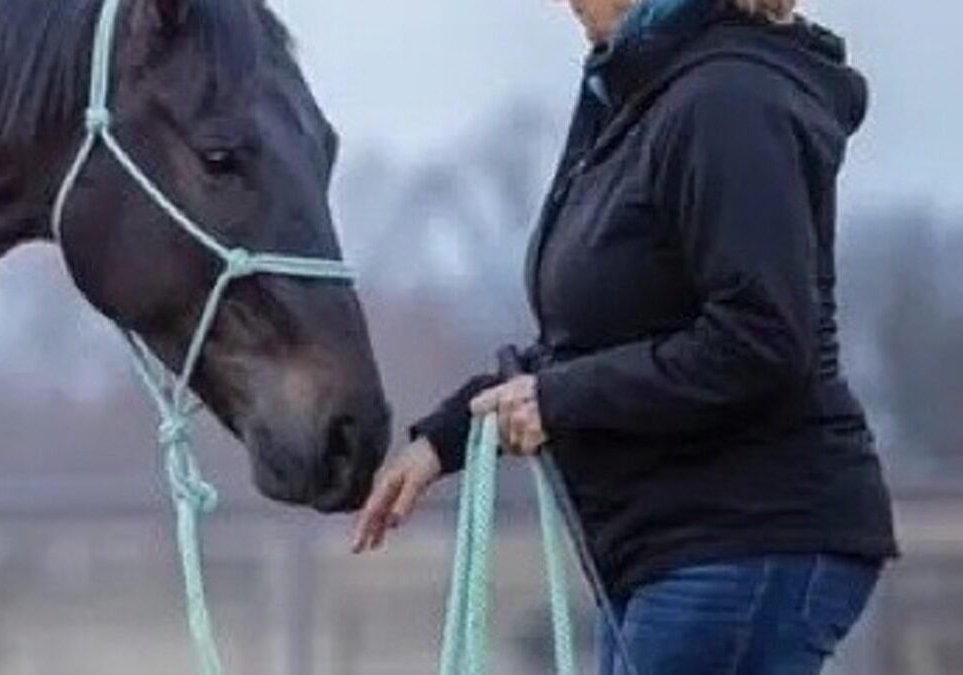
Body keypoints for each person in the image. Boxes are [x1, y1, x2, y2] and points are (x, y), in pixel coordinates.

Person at [353, 0, 900, 672]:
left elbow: (760, 336)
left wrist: (559, 400)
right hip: (673, 548)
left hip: (743, 535)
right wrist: (446, 438)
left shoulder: (726, 101)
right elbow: (593, 343)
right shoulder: (643, 101)